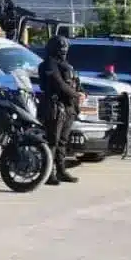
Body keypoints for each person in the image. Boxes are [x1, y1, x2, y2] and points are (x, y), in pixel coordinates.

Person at [37, 35, 82, 184]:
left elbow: (75, 82)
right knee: (52, 141)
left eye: (65, 47)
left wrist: (81, 92)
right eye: (61, 47)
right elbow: (59, 84)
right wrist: (76, 94)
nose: (64, 49)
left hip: (68, 107)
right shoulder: (48, 64)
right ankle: (48, 173)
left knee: (63, 141)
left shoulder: (66, 64)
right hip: (55, 107)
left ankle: (61, 170)